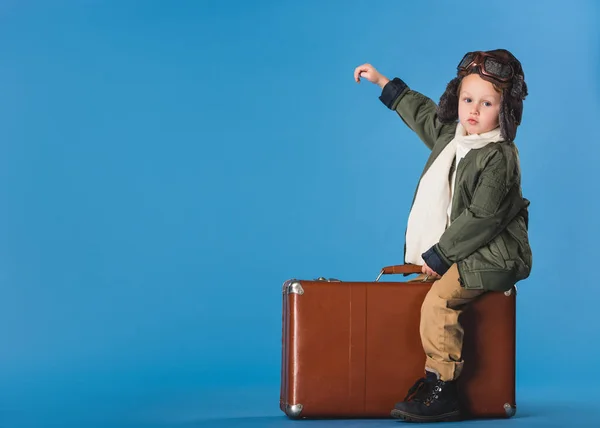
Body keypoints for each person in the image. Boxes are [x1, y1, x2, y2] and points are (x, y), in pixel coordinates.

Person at [354, 50, 532, 422]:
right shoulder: (455, 136)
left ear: (505, 110)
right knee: (419, 296)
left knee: (438, 302)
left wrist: (438, 257)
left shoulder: (498, 156)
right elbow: (423, 115)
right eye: (468, 100)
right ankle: (427, 376)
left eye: (487, 103)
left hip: (494, 252)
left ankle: (443, 388)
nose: (474, 110)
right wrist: (385, 83)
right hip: (466, 249)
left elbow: (481, 219)